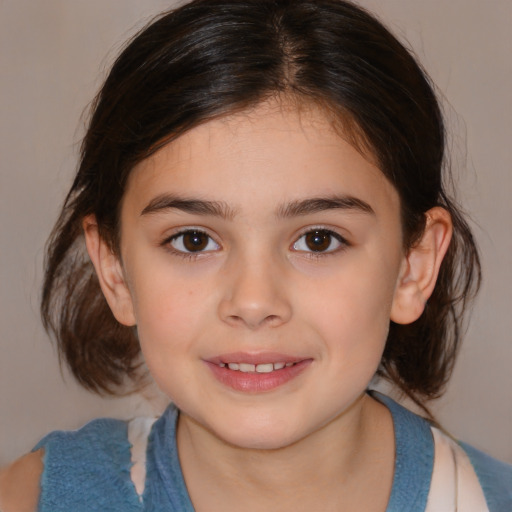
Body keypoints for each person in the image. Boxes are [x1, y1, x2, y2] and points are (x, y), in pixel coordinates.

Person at [0, 0, 510, 510]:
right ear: (115, 269)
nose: (253, 301)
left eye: (318, 240)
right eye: (193, 240)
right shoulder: (30, 498)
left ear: (413, 267)